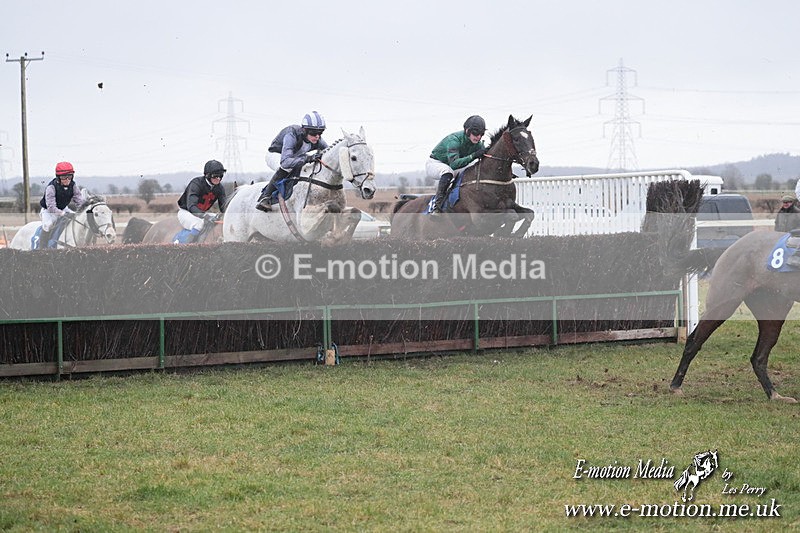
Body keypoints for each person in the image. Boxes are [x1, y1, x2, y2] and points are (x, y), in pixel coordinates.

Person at [256, 111, 328, 212]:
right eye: (313, 133)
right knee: (288, 167)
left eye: (320, 133)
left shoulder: (317, 139)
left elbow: (328, 152)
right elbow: (285, 162)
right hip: (277, 155)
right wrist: (308, 158)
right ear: (304, 130)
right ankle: (265, 197)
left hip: (295, 156)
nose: (317, 136)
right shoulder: (292, 134)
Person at [426, 115, 487, 214]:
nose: (478, 137)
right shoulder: (454, 140)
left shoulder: (478, 144)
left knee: (474, 167)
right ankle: (437, 206)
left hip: (453, 165)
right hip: (435, 163)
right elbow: (454, 164)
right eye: (475, 133)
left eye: (481, 134)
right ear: (467, 130)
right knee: (448, 172)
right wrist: (473, 156)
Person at [38, 161, 85, 249]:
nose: (67, 180)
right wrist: (62, 214)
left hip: (64, 208)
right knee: (48, 225)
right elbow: (51, 207)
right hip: (48, 211)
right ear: (58, 177)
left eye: (69, 176)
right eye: (64, 177)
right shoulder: (51, 187)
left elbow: (79, 200)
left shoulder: (73, 185)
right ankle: (42, 249)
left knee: (77, 220)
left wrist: (83, 211)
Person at [177, 160, 227, 236]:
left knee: (219, 223)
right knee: (199, 224)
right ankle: (189, 246)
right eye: (215, 176)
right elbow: (192, 206)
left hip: (202, 213)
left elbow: (224, 207)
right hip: (187, 212)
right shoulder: (196, 184)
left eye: (221, 175)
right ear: (207, 175)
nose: (218, 178)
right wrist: (204, 215)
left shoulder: (220, 188)